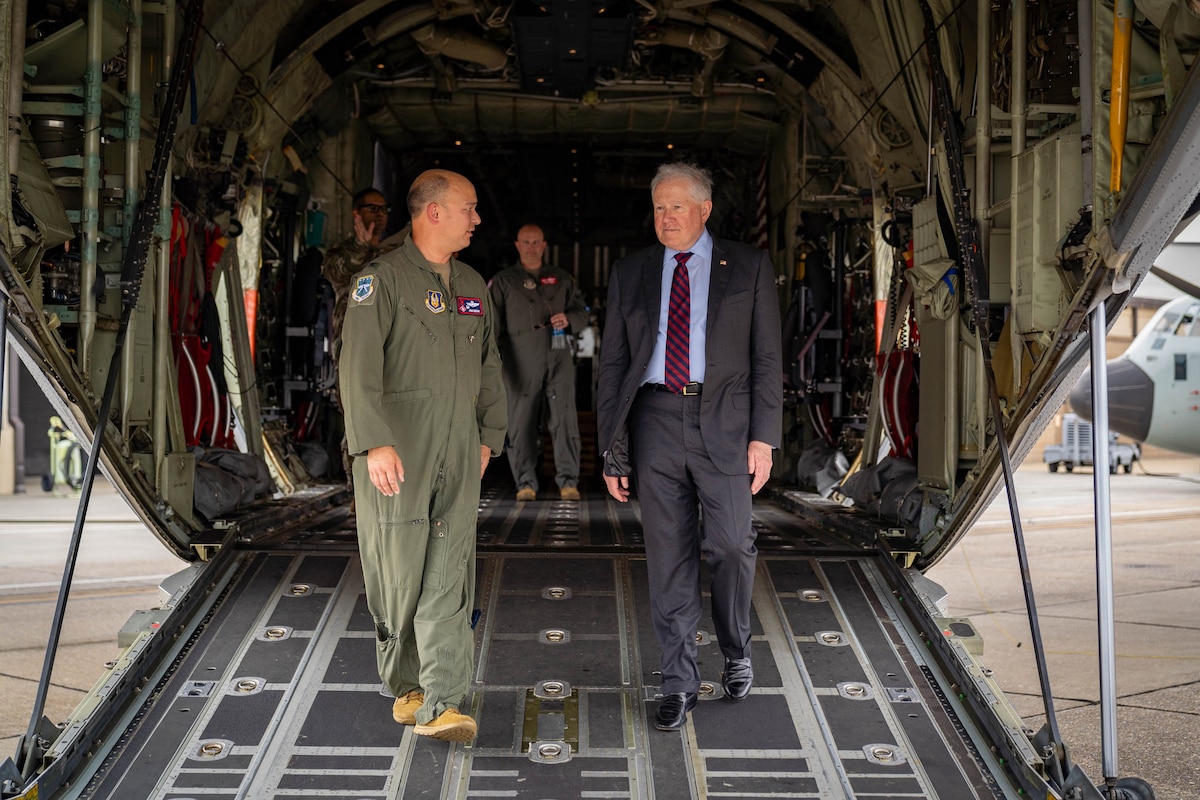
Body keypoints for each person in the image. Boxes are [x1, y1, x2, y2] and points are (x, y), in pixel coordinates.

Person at [595, 162, 783, 731]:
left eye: (677, 207)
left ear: (704, 211)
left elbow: (767, 358)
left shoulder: (747, 267)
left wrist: (764, 437)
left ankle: (735, 647)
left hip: (724, 422)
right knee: (668, 556)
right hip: (653, 420)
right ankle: (677, 681)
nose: (666, 217)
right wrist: (612, 448)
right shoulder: (631, 271)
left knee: (730, 545)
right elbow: (613, 366)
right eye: (658, 207)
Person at [338, 169, 507, 743]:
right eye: (469, 208)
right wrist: (373, 442)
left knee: (450, 569)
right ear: (433, 212)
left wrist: (489, 435)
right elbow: (357, 368)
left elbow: (489, 365)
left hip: (459, 447)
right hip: (397, 450)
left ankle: (444, 698)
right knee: (397, 568)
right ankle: (406, 684)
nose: (476, 219)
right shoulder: (379, 282)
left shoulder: (473, 285)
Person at [489, 224, 589, 501]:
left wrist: (570, 320)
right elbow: (492, 328)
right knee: (521, 424)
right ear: (517, 245)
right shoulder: (503, 281)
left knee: (564, 420)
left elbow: (583, 311)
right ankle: (525, 483)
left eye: (536, 242)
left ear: (544, 245)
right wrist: (494, 366)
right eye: (526, 242)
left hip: (559, 358)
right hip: (519, 363)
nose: (531, 247)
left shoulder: (562, 279)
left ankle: (568, 481)